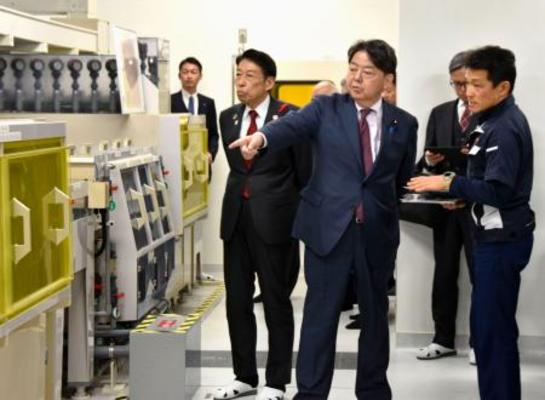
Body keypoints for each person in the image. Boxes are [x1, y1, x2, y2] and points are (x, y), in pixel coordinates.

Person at [230, 39, 417, 400]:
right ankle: (312, 393)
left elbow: (399, 179)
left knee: (375, 317)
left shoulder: (404, 123)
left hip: (375, 232)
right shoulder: (326, 108)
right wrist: (262, 137)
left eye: (367, 72)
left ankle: (374, 390)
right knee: (320, 317)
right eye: (353, 69)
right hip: (328, 230)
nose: (356, 78)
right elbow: (290, 126)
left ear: (388, 79)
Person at [408, 45, 534, 400]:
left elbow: (500, 190)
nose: (469, 92)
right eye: (464, 84)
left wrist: (449, 183)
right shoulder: (488, 121)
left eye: (478, 85)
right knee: (490, 329)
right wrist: (463, 195)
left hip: (502, 240)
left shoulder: (504, 128)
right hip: (490, 236)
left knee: (493, 334)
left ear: (503, 87)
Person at [215, 49, 311, 400]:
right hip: (236, 220)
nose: (241, 82)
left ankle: (276, 381)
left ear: (269, 82)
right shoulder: (227, 117)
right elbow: (239, 169)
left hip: (276, 221)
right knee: (237, 302)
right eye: (238, 74)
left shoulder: (290, 117)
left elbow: (305, 172)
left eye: (249, 76)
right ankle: (244, 376)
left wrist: (297, 216)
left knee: (276, 302)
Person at [414, 51, 477, 362]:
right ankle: (443, 339)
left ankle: (480, 342)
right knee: (444, 274)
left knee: (482, 276)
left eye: (467, 83)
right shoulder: (439, 113)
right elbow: (425, 164)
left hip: (479, 208)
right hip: (445, 209)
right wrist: (430, 161)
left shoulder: (489, 113)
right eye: (456, 84)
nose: (463, 90)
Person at [171, 56, 219, 178]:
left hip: (201, 164)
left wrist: (211, 153)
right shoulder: (170, 101)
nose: (189, 76)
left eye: (193, 72)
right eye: (185, 72)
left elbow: (213, 134)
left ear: (200, 76)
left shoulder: (208, 102)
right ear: (179, 76)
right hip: (177, 163)